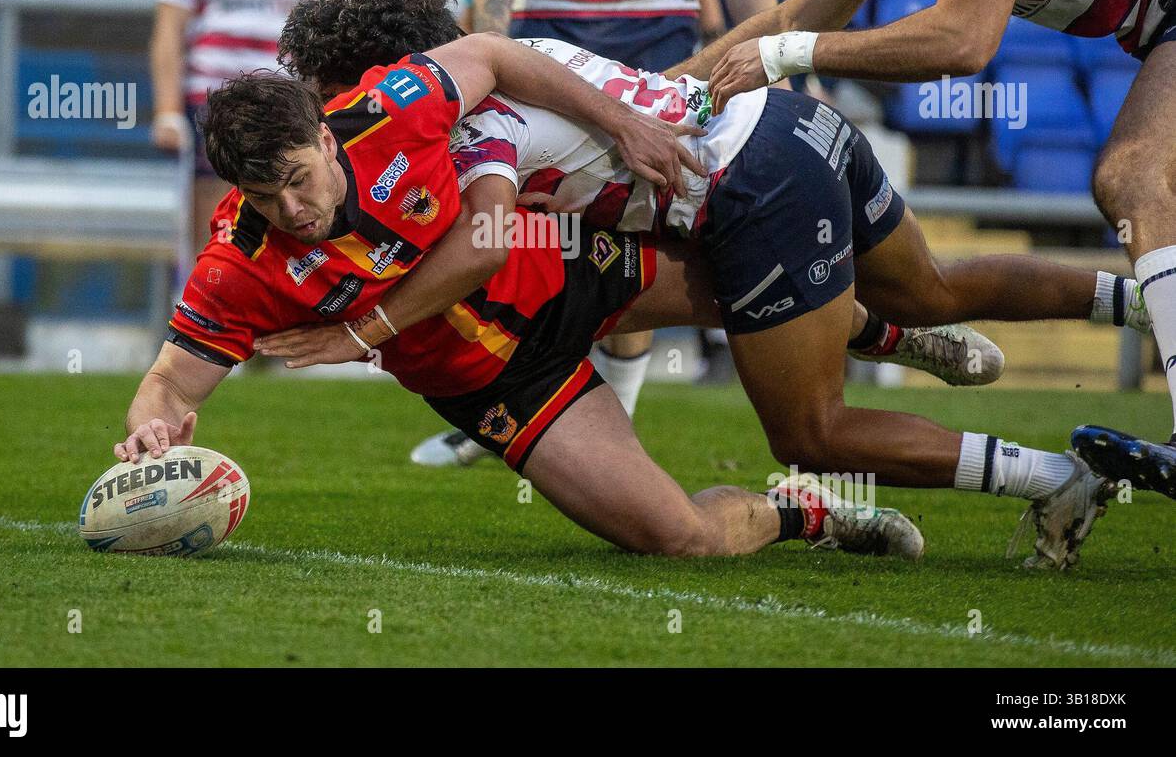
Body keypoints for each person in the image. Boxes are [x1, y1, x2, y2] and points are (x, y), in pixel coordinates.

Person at [267, 0, 1159, 569]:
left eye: (338, 91)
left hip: (747, 193)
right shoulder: (502, 64)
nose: (339, 114)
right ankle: (1148, 301)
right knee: (935, 286)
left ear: (377, 75)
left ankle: (1055, 478)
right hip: (787, 125)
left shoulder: (463, 128)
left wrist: (366, 326)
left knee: (810, 434)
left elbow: (487, 238)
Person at [119, 32, 925, 561]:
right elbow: (168, 382)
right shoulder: (236, 264)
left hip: (559, 268)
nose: (292, 210)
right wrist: (152, 430)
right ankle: (803, 512)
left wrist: (621, 122)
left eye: (298, 179)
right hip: (501, 385)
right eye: (265, 199)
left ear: (326, 136)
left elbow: (497, 55)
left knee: (761, 290)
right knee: (678, 541)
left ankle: (885, 332)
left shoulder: (389, 109)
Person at [664, 0, 1176, 495]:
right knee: (1133, 181)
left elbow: (963, 41)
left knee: (1134, 178)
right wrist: (645, 99)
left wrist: (786, 54)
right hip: (1159, 21)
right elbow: (784, 17)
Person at [440, 0, 781, 449]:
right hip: (550, 35)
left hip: (660, 39)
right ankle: (511, 400)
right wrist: (490, 50)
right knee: (527, 227)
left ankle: (610, 421)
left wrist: (776, 55)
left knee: (636, 225)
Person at [149, 0, 332, 259]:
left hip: (280, 100)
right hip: (212, 99)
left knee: (287, 200)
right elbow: (168, 31)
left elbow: (319, 43)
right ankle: (201, 303)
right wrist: (166, 111)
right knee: (213, 214)